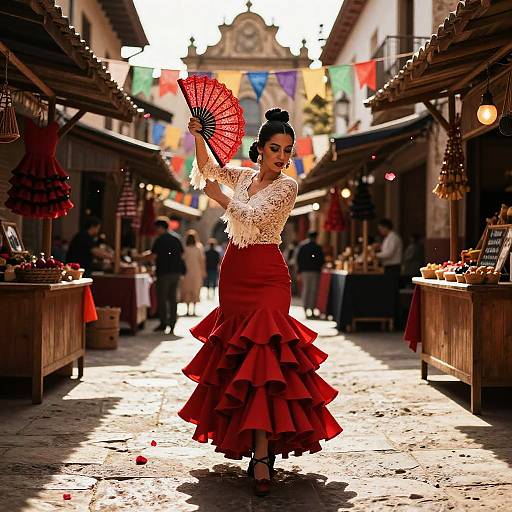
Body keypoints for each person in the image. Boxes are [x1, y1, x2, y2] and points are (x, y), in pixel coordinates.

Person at [179, 108, 342, 497]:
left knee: (266, 358)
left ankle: (264, 456)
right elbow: (208, 168)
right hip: (234, 273)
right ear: (261, 148)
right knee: (238, 360)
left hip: (268, 275)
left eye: (287, 150)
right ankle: (251, 445)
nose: (282, 157)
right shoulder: (243, 175)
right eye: (275, 148)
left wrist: (219, 198)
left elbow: (253, 218)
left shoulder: (288, 187)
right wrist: (198, 135)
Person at [139, 217, 185, 335]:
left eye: (156, 228)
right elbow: (181, 254)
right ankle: (172, 323)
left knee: (162, 299)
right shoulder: (176, 238)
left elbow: (153, 255)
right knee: (172, 298)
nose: (156, 231)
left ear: (160, 228)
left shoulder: (160, 240)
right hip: (176, 272)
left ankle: (164, 323)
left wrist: (140, 258)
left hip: (164, 272)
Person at [376, 218, 403, 328]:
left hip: (393, 267)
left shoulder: (393, 238)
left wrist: (376, 255)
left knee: (392, 294)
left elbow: (388, 253)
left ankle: (395, 321)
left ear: (386, 227)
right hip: (388, 267)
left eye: (381, 229)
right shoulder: (388, 238)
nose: (380, 231)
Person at [296, 231, 325, 319]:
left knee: (306, 290)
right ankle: (311, 310)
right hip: (315, 271)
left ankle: (305, 309)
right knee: (313, 291)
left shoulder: (303, 246)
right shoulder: (317, 247)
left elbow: (299, 259)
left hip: (305, 271)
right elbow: (321, 260)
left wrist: (299, 271)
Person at [180, 229, 206, 316]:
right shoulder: (199, 248)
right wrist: (203, 271)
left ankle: (187, 310)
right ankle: (193, 311)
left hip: (187, 272)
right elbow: (202, 261)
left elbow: (182, 260)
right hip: (196, 272)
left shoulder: (185, 249)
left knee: (187, 290)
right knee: (195, 290)